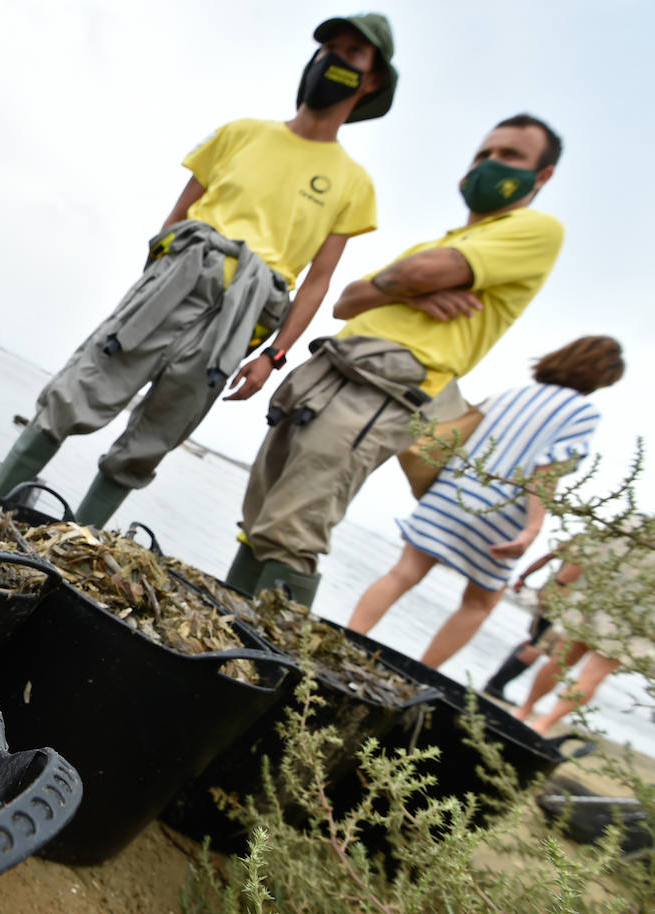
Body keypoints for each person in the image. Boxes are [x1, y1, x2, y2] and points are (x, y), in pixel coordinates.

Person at [0, 14, 397, 526]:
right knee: (82, 387)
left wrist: (276, 354)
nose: (333, 58)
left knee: (160, 428)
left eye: (353, 53)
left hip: (246, 309)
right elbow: (176, 218)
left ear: (373, 78)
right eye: (328, 47)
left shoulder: (354, 183)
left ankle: (75, 542)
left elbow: (317, 280)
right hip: (180, 274)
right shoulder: (240, 134)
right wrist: (156, 278)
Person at [230, 113, 567, 606]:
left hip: (382, 393)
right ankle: (215, 622)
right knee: (260, 514)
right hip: (326, 374)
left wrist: (398, 285)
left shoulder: (535, 229)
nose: (491, 164)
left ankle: (262, 666)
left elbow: (420, 272)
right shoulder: (443, 240)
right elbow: (346, 299)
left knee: (294, 529)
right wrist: (410, 292)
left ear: (542, 175)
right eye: (484, 154)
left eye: (510, 157)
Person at [344, 337, 624, 666]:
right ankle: (419, 676)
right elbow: (546, 471)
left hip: (450, 494)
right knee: (480, 603)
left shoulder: (511, 395)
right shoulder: (582, 413)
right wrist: (533, 528)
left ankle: (345, 639)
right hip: (500, 514)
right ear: (600, 378)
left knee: (402, 573)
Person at [513, 518, 655, 735]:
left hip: (597, 604)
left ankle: (524, 710)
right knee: (591, 675)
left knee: (559, 661)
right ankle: (543, 724)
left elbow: (586, 553)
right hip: (634, 622)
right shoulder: (635, 525)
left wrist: (561, 582)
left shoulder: (635, 524)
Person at [481, 548, 582, 700]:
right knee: (538, 645)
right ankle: (496, 684)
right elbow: (568, 573)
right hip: (561, 599)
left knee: (534, 640)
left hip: (550, 593)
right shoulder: (594, 546)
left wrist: (523, 577)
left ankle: (496, 682)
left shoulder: (580, 539)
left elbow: (548, 556)